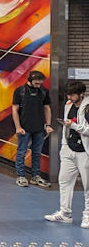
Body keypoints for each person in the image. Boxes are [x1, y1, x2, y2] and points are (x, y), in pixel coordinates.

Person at [45, 80, 89, 227]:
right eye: (68, 95)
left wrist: (74, 125)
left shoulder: (88, 108)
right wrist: (64, 146)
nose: (69, 97)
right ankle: (65, 213)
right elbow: (66, 126)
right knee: (64, 181)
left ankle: (87, 216)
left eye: (72, 95)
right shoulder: (68, 105)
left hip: (85, 152)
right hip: (69, 149)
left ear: (81, 94)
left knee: (87, 185)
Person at [13, 70, 53, 187]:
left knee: (37, 153)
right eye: (36, 83)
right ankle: (20, 176)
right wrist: (18, 127)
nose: (38, 86)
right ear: (30, 81)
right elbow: (14, 109)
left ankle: (35, 176)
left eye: (40, 83)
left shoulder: (43, 92)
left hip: (39, 128)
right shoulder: (20, 91)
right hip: (24, 128)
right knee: (21, 152)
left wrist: (48, 125)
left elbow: (47, 108)